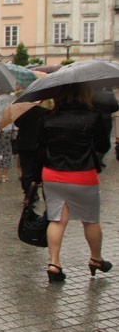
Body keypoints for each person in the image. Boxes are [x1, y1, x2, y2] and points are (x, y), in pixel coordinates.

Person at [41, 84, 111, 282]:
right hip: (82, 174)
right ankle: (96, 259)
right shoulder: (94, 116)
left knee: (56, 220)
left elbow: (42, 146)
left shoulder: (49, 117)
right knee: (90, 219)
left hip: (52, 173)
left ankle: (54, 263)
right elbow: (103, 145)